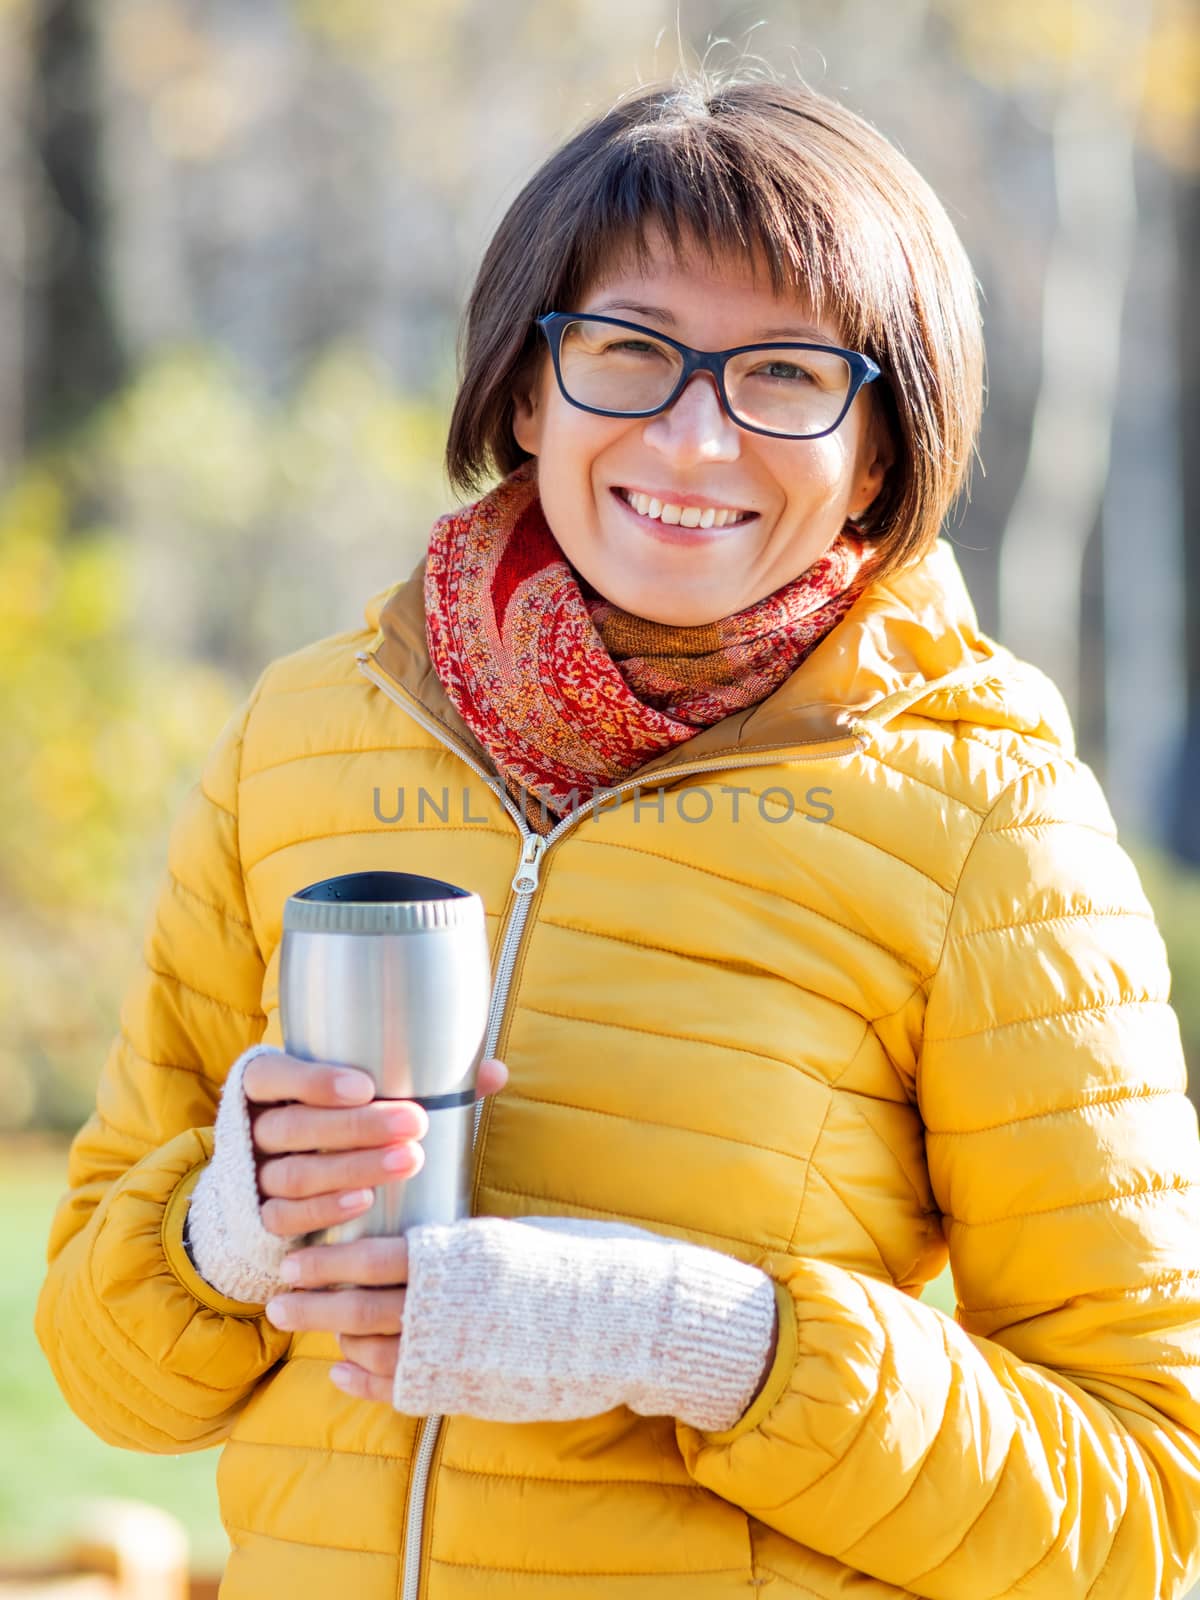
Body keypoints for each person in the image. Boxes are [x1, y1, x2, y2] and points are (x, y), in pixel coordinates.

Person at [35, 72, 1200, 1600]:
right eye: (629, 351)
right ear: (528, 391)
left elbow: (1147, 1510)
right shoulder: (303, 739)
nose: (697, 437)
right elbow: (114, 1380)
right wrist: (226, 1232)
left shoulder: (988, 817)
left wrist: (704, 1345)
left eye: (785, 376)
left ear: (882, 443)